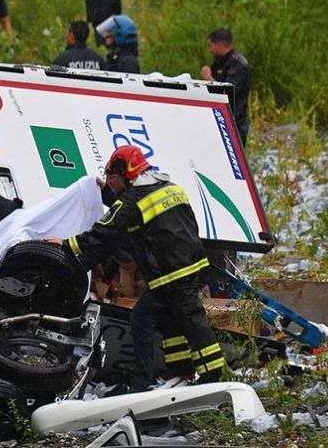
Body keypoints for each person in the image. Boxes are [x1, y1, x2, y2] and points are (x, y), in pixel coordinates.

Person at [50, 145, 226, 384]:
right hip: (191, 265)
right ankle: (180, 371)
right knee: (169, 320)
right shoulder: (169, 187)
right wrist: (105, 193)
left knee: (190, 321)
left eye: (111, 176)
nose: (109, 181)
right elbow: (137, 211)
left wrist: (66, 245)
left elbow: (105, 232)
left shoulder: (133, 201)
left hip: (170, 273)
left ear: (126, 173)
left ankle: (214, 377)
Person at [201, 28, 252, 147]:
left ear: (219, 44)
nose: (210, 50)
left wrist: (208, 78)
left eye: (211, 45)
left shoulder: (239, 65)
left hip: (235, 122)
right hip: (219, 118)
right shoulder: (220, 63)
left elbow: (229, 92)